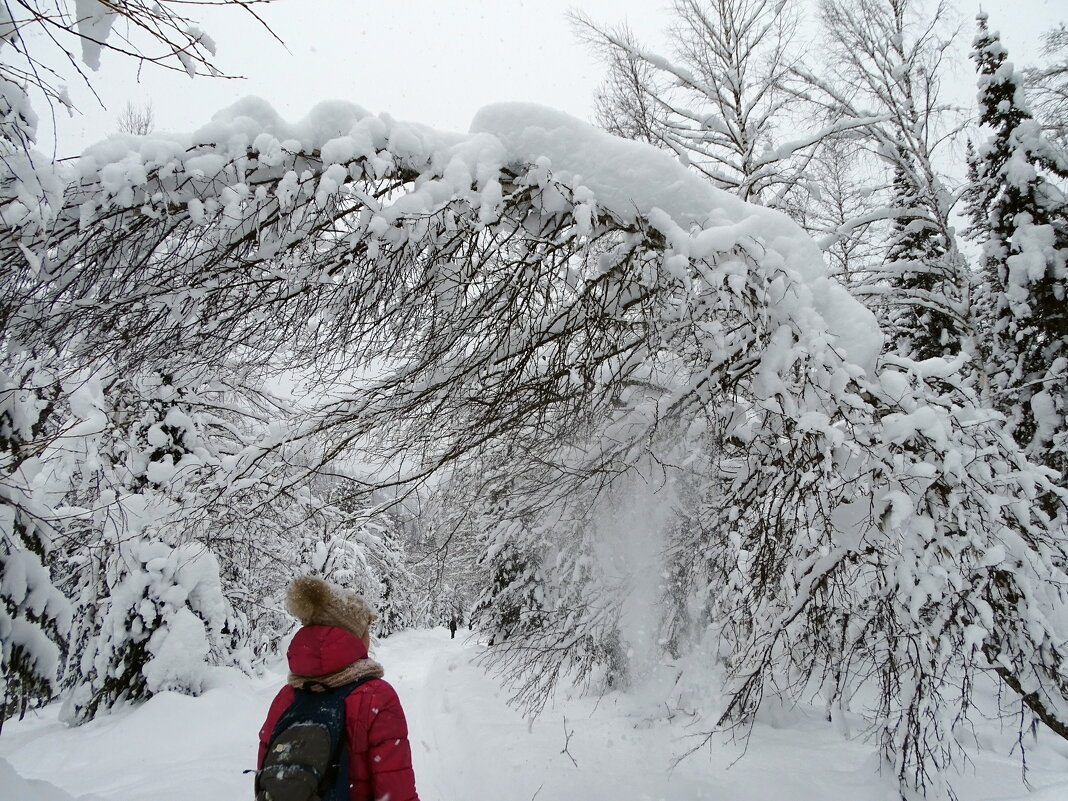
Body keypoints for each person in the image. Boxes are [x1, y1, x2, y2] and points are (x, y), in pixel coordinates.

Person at [257, 576, 420, 801]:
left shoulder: (286, 698)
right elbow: (396, 792)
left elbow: (268, 780)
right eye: (365, 630)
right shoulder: (377, 697)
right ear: (354, 636)